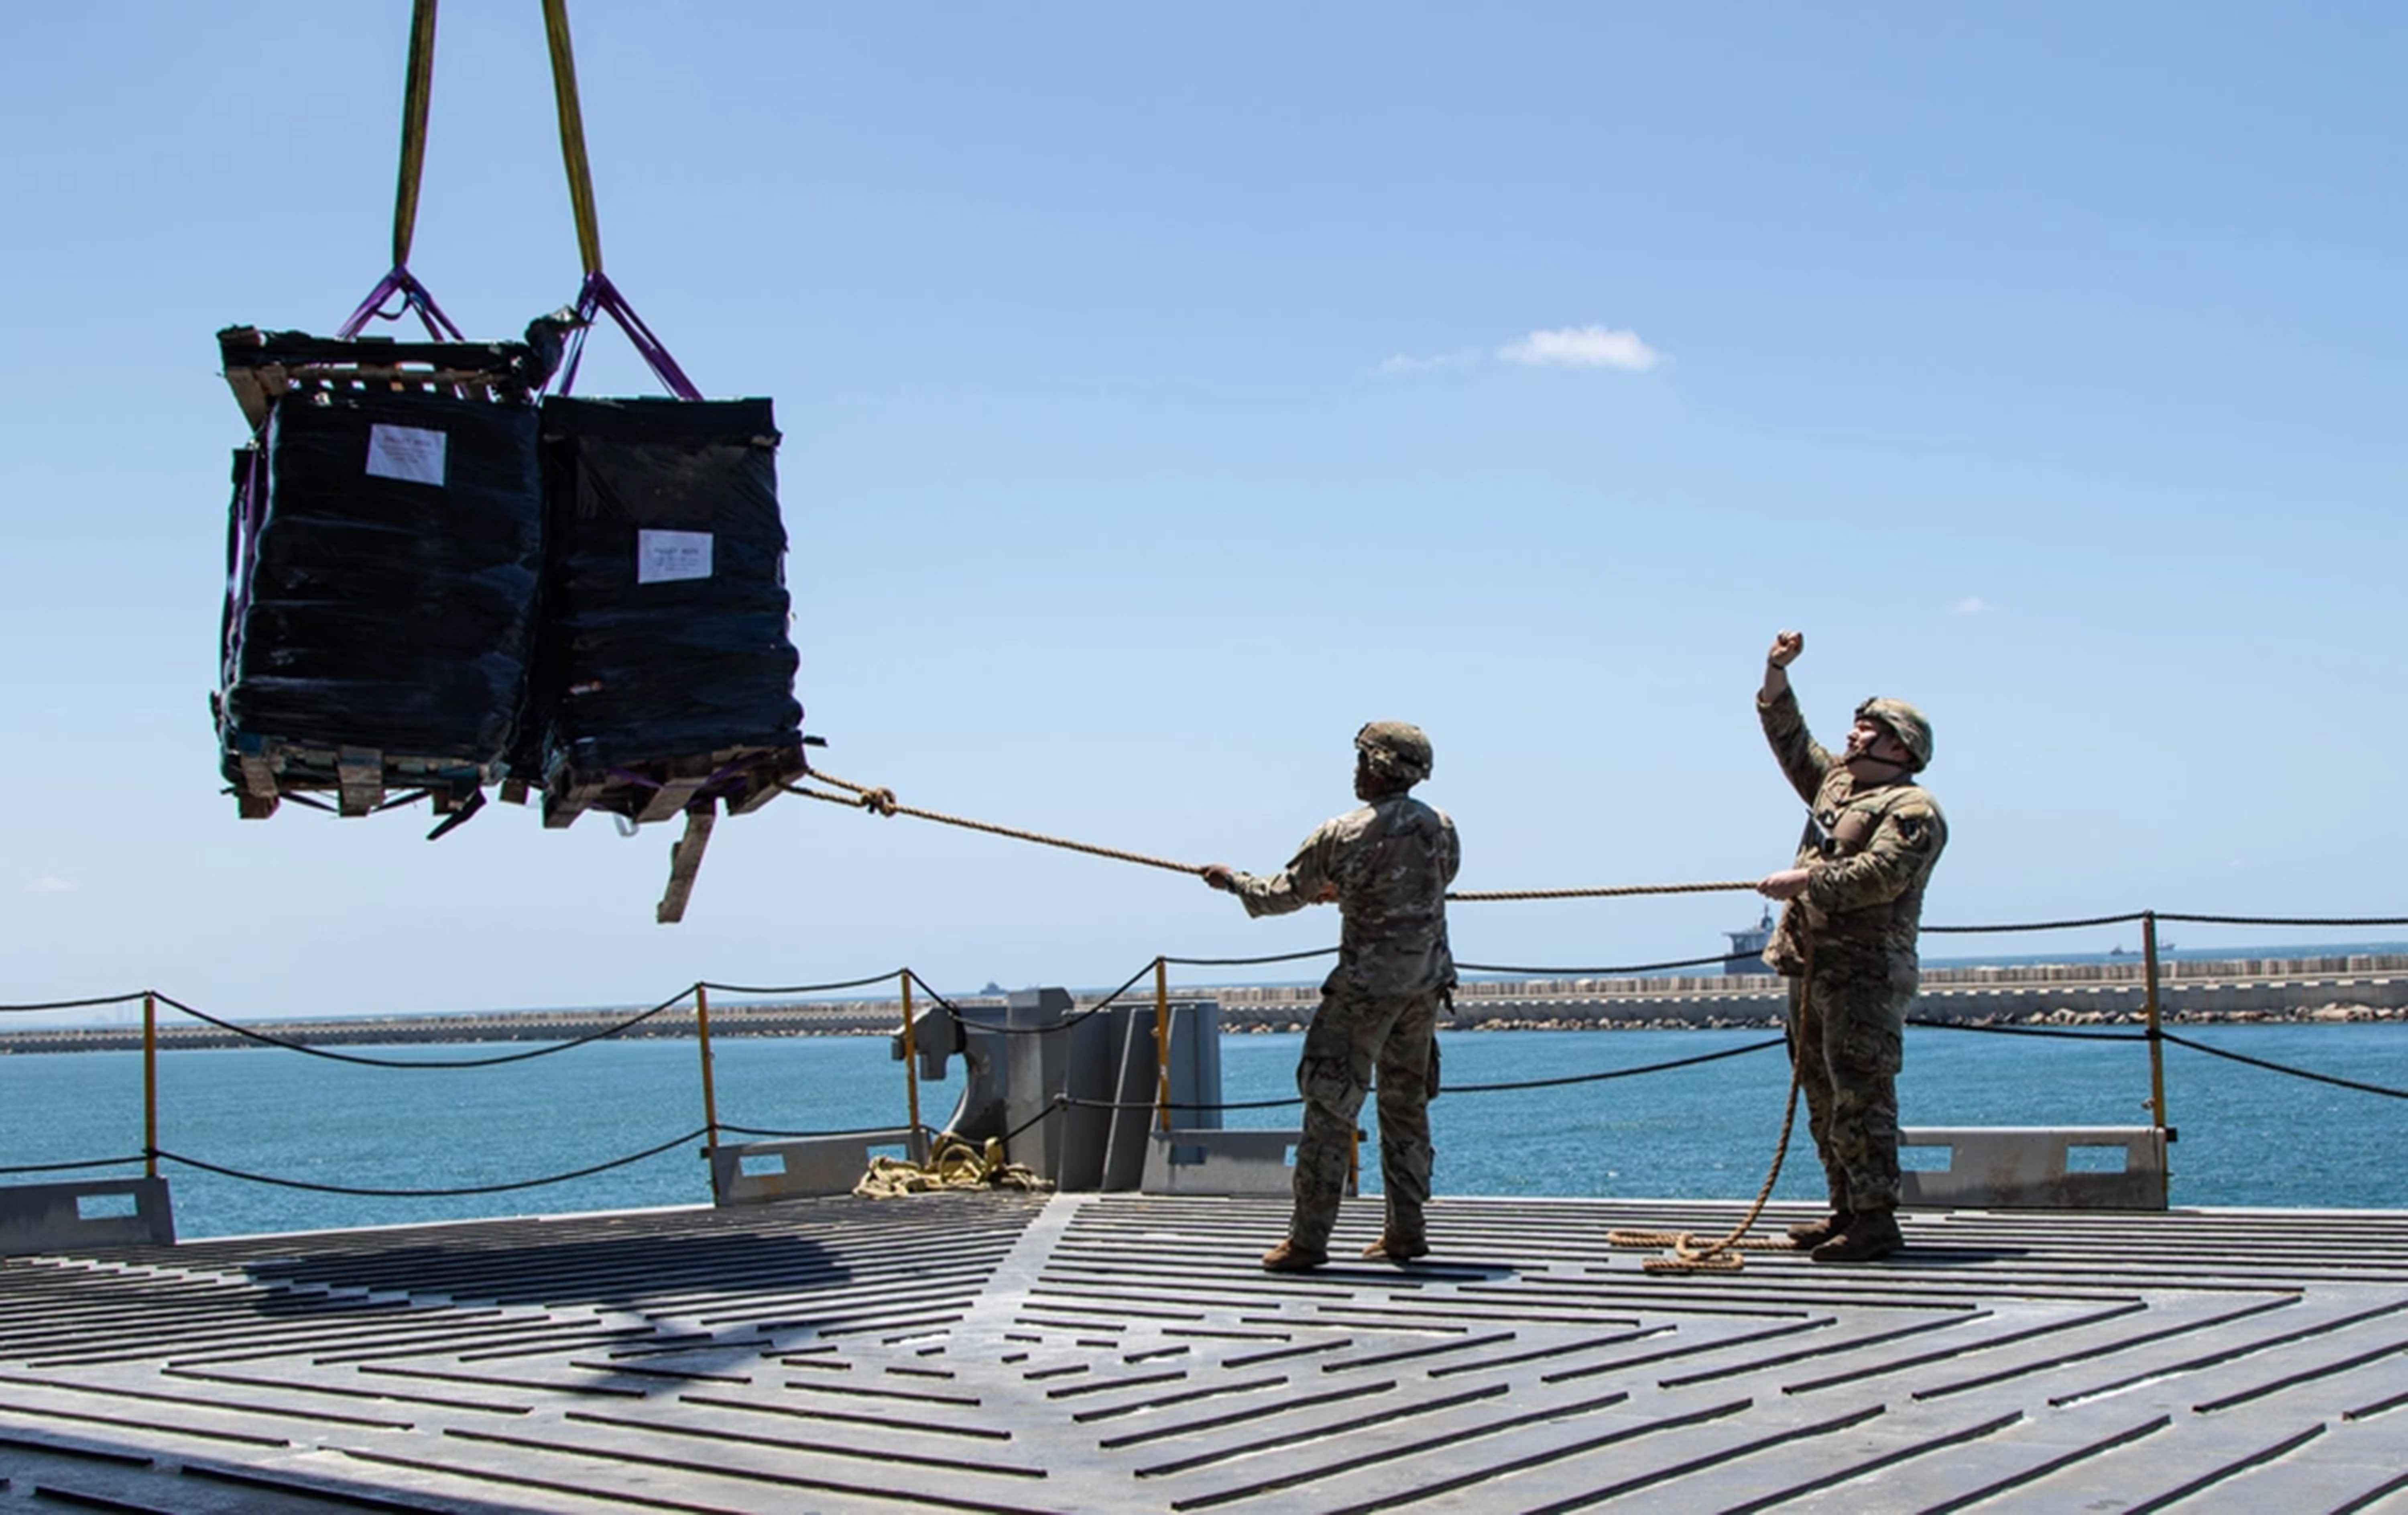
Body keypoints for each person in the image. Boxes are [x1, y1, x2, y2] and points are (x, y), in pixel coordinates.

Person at [1202, 722, 1460, 1273]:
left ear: (1379, 767)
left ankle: (1309, 1240)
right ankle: (1407, 1232)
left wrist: (1232, 880)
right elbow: (1433, 879)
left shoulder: (1341, 832)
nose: (1356, 770)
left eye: (1363, 760)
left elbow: (1280, 895)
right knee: (1407, 1109)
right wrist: (1350, 887)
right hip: (1424, 988)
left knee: (1329, 1108)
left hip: (1364, 992)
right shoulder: (1441, 826)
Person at [1755, 631, 1947, 1263]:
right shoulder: (1837, 786)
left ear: (1901, 747)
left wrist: (1805, 881)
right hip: (1811, 965)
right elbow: (1790, 738)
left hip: (1865, 974)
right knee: (1821, 1093)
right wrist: (1776, 670)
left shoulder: (1913, 809)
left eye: (1868, 729)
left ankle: (1876, 1219)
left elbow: (1881, 876)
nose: (1854, 734)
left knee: (1862, 1096)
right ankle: (1844, 1207)